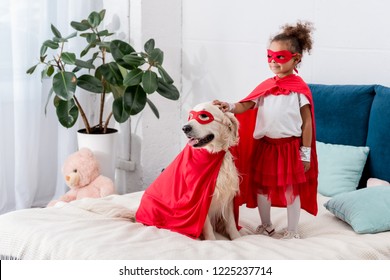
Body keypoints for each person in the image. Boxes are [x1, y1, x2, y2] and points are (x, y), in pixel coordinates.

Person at [213, 21, 318, 239]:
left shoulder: (299, 91)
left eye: (280, 57)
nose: (273, 61)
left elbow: (307, 123)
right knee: (261, 188)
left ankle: (292, 230)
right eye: (269, 56)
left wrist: (305, 153)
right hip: (266, 147)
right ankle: (267, 225)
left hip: (289, 148)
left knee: (290, 189)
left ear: (296, 58)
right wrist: (229, 106)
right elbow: (246, 104)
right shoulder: (266, 87)